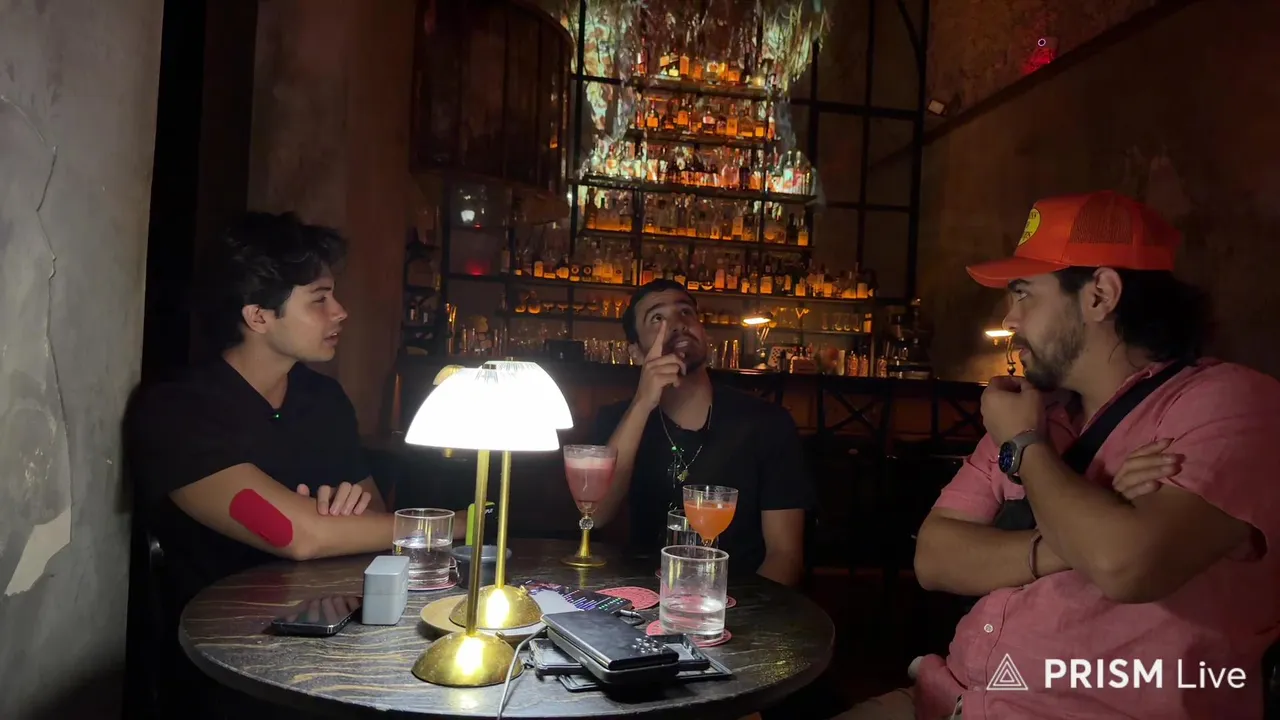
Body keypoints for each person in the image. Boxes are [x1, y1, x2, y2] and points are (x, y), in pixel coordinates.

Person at [835, 191, 1280, 720]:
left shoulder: (1231, 403)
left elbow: (1123, 566)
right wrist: (1091, 525)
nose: (1010, 319)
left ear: (1100, 295)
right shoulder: (1035, 408)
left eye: (1023, 295)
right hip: (947, 700)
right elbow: (933, 558)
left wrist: (1026, 447)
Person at [591, 279, 815, 586]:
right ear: (636, 352)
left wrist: (744, 611)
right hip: (639, 596)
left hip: (739, 598)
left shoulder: (767, 423)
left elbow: (785, 554)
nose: (678, 324)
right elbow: (595, 515)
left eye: (685, 312)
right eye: (657, 318)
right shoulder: (618, 421)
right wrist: (643, 403)